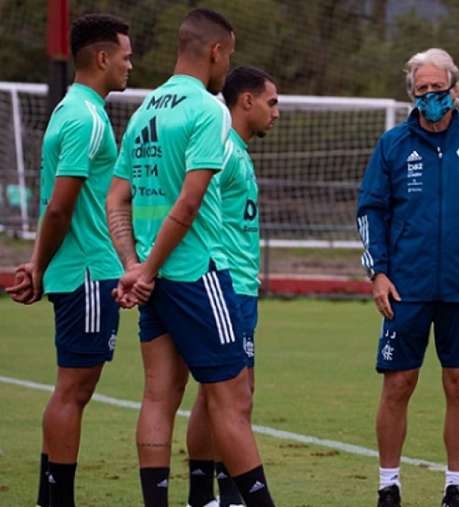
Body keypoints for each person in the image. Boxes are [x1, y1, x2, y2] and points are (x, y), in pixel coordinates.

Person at [106, 9, 275, 507]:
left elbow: (116, 198)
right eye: (230, 54)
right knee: (233, 399)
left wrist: (133, 267)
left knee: (159, 396)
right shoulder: (208, 108)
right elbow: (190, 201)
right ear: (217, 51)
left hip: (153, 280)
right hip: (196, 273)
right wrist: (150, 268)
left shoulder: (145, 110)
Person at [356, 48, 459, 507]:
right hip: (405, 285)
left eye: (438, 89)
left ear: (456, 92)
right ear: (412, 93)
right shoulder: (392, 146)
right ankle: (388, 485)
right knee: (398, 382)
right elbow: (371, 211)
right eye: (421, 90)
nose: (430, 97)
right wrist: (377, 273)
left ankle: (456, 486)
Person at [5, 14, 131, 507]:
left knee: (70, 390)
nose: (129, 65)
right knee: (72, 392)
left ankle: (49, 497)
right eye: (125, 56)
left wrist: (41, 263)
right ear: (101, 58)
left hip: (76, 268)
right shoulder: (86, 118)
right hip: (86, 270)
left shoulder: (70, 109)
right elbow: (61, 204)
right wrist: (37, 263)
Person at [184, 66, 279, 507]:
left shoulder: (237, 149)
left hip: (241, 286)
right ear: (246, 101)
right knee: (232, 395)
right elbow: (194, 201)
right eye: (271, 102)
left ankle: (211, 493)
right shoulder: (223, 147)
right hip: (228, 285)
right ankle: (222, 492)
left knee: (220, 393)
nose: (275, 112)